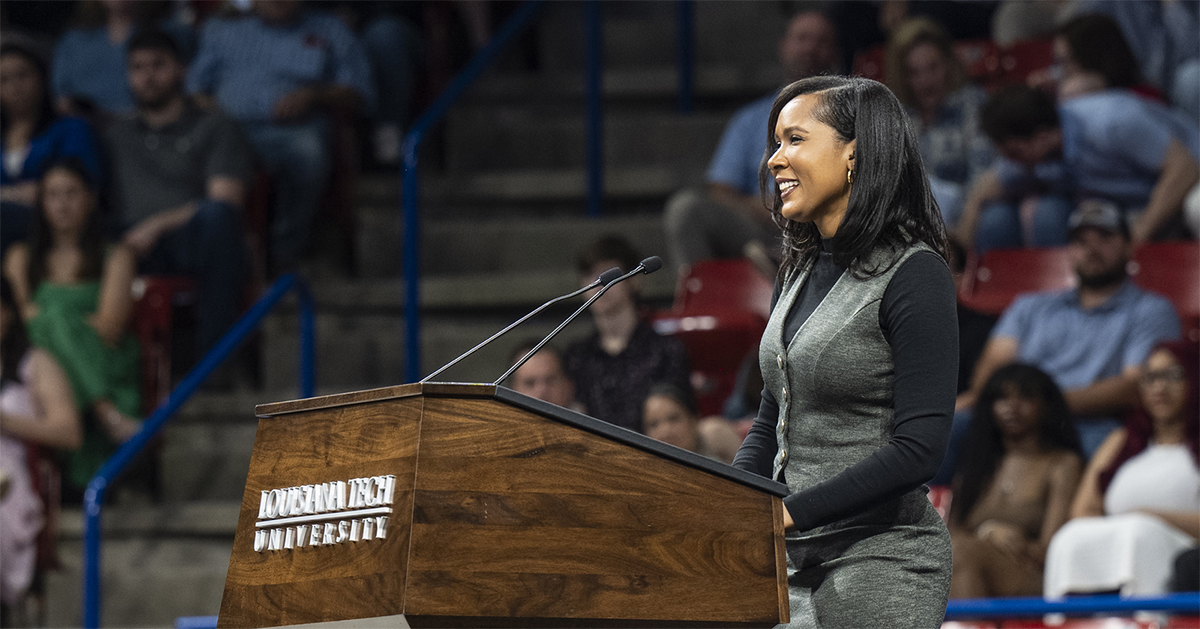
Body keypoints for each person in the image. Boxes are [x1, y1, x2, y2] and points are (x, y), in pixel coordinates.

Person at [732, 76, 958, 627]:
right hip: (785, 564)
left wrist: (786, 513)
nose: (773, 161)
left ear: (854, 152)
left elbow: (918, 448)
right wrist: (730, 504)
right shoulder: (801, 267)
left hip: (878, 561)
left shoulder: (915, 274)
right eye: (775, 143)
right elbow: (771, 422)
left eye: (794, 140)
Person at [951, 202, 1181, 465]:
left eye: (1105, 238)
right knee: (951, 429)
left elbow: (1134, 387)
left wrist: (1041, 406)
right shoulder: (1030, 306)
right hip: (1013, 416)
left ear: (1129, 246)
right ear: (1069, 252)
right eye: (1081, 242)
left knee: (1107, 445)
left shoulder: (1152, 310)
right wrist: (1020, 407)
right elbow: (991, 371)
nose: (1092, 250)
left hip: (1091, 422)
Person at [186, 0, 375, 270]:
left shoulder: (331, 29)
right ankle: (217, 256)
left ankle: (285, 250)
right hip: (228, 129)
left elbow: (359, 93)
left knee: (308, 151)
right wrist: (216, 114)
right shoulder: (222, 30)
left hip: (293, 129)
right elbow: (194, 91)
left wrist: (315, 94)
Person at [105, 29, 251, 360]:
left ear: (181, 70)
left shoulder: (214, 125)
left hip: (186, 238)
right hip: (124, 241)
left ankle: (216, 361)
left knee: (220, 220)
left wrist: (156, 225)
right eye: (138, 68)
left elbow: (225, 199)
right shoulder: (115, 134)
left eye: (158, 65)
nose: (148, 76)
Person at [663, 9, 840, 279]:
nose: (810, 48)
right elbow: (720, 191)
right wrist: (766, 206)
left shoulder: (850, 116)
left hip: (830, 228)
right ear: (783, 47)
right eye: (802, 38)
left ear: (834, 52)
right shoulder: (750, 119)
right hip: (765, 230)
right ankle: (704, 305)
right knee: (686, 209)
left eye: (820, 40)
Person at [1, 159, 142, 494]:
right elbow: (17, 323)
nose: (62, 204)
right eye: (52, 195)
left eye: (71, 194)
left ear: (90, 199)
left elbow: (108, 326)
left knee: (50, 320)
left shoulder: (116, 256)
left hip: (106, 361)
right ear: (41, 202)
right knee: (47, 326)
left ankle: (102, 407)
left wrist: (51, 317)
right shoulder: (20, 256)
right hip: (43, 365)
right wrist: (62, 320)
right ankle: (104, 411)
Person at [957, 85, 1199, 252]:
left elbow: (1184, 168)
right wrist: (960, 250)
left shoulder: (1112, 121)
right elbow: (986, 188)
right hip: (1133, 204)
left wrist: (1139, 234)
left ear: (1040, 137)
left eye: (1013, 152)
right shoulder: (1040, 151)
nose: (1011, 161)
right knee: (1038, 213)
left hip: (1188, 182)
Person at [1044, 340, 1200, 598]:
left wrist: (1150, 518)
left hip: (1184, 553)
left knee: (1139, 534)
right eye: (1150, 377)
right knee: (1068, 537)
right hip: (1117, 546)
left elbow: (1141, 525)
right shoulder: (1120, 441)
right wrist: (1133, 522)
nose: (1159, 387)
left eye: (1173, 375)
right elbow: (1083, 511)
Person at [948, 364, 1083, 598]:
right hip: (966, 565)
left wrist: (1004, 543)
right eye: (1001, 398)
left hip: (1033, 573)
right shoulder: (976, 465)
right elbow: (949, 536)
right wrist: (988, 532)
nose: (1011, 406)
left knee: (962, 553)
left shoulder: (1062, 463)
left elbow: (1053, 551)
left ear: (1046, 405)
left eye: (1025, 397)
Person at [0, 276, 81, 610]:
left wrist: (5, 422)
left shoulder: (36, 363)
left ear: (8, 313)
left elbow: (69, 432)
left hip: (10, 481)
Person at [563, 235, 691, 434]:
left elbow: (681, 420)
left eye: (608, 275)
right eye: (590, 275)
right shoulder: (577, 355)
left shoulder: (666, 350)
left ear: (634, 280)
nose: (599, 284)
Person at [885, 17, 995, 229]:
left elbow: (981, 176)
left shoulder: (973, 105)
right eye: (914, 73)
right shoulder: (894, 116)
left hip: (962, 220)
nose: (926, 81)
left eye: (933, 68)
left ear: (949, 63)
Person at [0, 43, 102, 256]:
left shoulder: (71, 128)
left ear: (42, 77)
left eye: (22, 75)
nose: (15, 87)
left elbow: (79, 185)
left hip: (57, 222)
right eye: (4, 80)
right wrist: (21, 192)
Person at [51, 0, 193, 116]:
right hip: (88, 132)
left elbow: (191, 86)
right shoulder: (73, 42)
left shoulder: (172, 34)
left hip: (151, 128)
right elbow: (61, 98)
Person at [642, 384, 741, 464]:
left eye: (673, 419)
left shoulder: (716, 434)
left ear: (694, 421)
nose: (665, 431)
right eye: (653, 424)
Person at [505, 340, 582, 413]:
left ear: (569, 385)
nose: (541, 391)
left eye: (550, 381)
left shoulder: (591, 423)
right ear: (512, 390)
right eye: (530, 383)